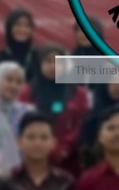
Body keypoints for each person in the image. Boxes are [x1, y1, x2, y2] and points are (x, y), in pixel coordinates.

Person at [21, 43, 91, 174]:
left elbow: (82, 123)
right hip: (34, 158)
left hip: (67, 159)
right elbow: (22, 123)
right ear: (39, 64)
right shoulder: (27, 93)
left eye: (58, 62)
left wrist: (65, 146)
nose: (53, 66)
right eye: (48, 61)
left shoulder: (78, 93)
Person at [0, 8, 36, 73]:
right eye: (18, 25)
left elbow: (51, 78)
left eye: (27, 26)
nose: (23, 29)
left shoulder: (40, 56)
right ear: (9, 28)